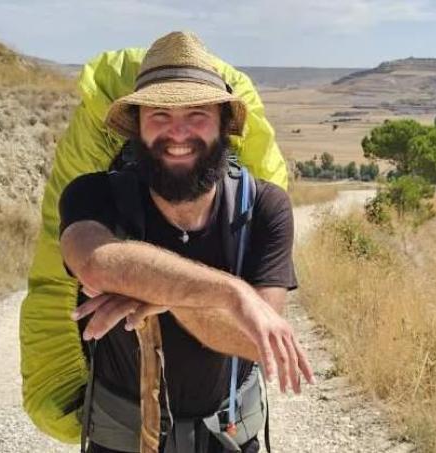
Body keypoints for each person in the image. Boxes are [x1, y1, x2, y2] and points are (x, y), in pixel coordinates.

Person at [57, 31, 314, 453]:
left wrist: (161, 297)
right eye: (159, 115)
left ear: (222, 123)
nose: (178, 133)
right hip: (121, 441)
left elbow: (258, 343)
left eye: (196, 114)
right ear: (137, 127)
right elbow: (96, 263)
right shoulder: (93, 196)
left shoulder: (264, 207)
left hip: (228, 439)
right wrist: (230, 294)